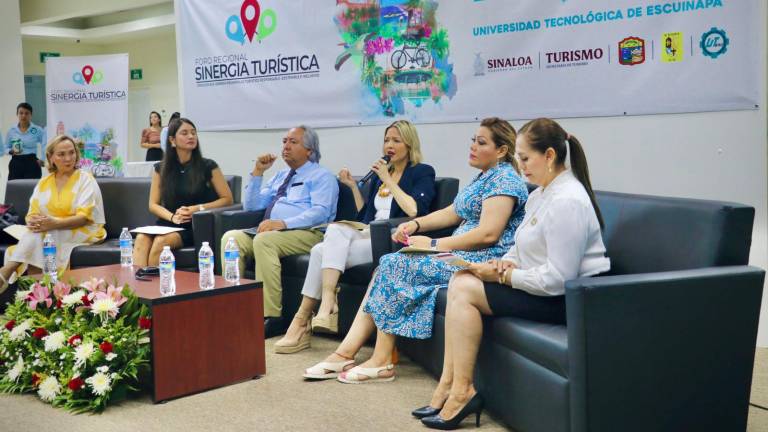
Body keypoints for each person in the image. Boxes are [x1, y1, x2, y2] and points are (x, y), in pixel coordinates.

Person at [418, 118, 611, 429]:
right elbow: (520, 248)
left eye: (524, 158)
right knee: (461, 278)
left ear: (549, 155)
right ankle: (451, 385)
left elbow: (559, 280)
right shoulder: (539, 195)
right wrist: (503, 263)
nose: (519, 166)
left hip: (572, 300)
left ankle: (461, 390)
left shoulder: (568, 201)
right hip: (546, 288)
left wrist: (505, 277)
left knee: (464, 289)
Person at [303, 117, 528, 381]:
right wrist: (415, 224)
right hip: (462, 254)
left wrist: (433, 244)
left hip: (480, 261)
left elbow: (489, 234)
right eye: (473, 141)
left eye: (481, 142)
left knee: (394, 264)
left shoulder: (506, 180)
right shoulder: (484, 178)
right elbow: (451, 213)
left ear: (501, 150)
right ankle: (345, 354)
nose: (473, 147)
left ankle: (382, 359)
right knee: (386, 265)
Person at [274, 120, 436, 353]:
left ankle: (307, 320)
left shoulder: (421, 171)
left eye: (396, 141)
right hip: (369, 232)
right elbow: (366, 215)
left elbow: (414, 210)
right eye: (386, 140)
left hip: (393, 238)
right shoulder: (382, 175)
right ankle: (318, 309)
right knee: (326, 241)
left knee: (322, 250)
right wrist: (352, 187)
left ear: (409, 144)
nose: (389, 145)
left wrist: (389, 180)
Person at [221, 125, 338, 338]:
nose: (286, 146)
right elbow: (252, 205)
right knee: (231, 239)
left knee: (264, 241)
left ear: (310, 151)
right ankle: (236, 308)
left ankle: (272, 317)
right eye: (284, 141)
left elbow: (321, 213)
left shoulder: (322, 176)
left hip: (310, 233)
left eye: (293, 142)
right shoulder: (281, 176)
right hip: (275, 233)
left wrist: (283, 223)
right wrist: (258, 173)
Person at [0, 135, 106, 293]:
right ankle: (37, 297)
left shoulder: (85, 179)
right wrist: (34, 221)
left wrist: (53, 223)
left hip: (85, 229)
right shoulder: (44, 182)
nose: (68, 158)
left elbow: (84, 218)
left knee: (43, 235)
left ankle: (6, 273)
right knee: (41, 236)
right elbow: (31, 214)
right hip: (49, 230)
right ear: (50, 157)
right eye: (61, 154)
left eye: (71, 152)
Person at [133, 118, 233, 267]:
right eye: (185, 133)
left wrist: (196, 209)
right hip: (168, 222)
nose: (191, 137)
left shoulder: (208, 166)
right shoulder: (160, 168)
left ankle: (156, 288)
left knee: (161, 242)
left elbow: (227, 199)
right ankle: (137, 288)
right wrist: (172, 217)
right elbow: (153, 205)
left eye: (193, 133)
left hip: (192, 226)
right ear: (172, 140)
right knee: (141, 239)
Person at [5, 102, 46, 180]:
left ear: (31, 115)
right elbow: (6, 147)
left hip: (32, 162)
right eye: (21, 113)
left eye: (27, 113)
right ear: (17, 114)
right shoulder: (11, 131)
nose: (23, 115)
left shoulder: (37, 130)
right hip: (16, 162)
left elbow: (46, 145)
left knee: (32, 189)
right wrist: (10, 151)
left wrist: (43, 159)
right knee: (15, 188)